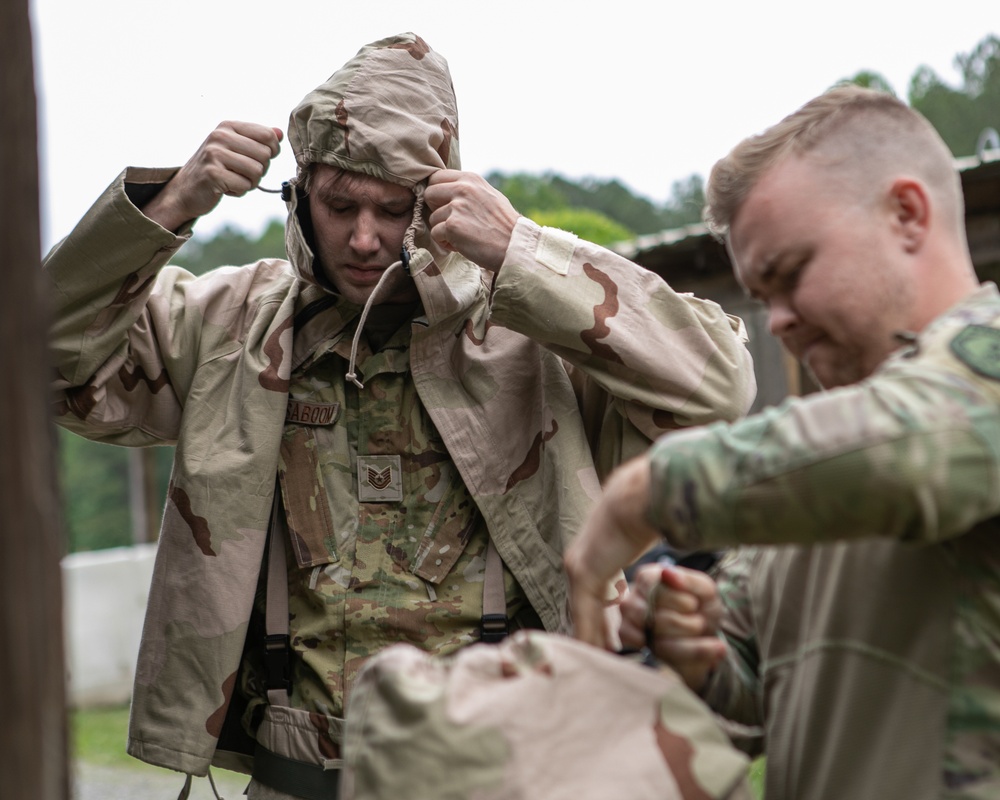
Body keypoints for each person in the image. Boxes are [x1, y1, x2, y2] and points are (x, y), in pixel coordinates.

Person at [44, 32, 756, 798]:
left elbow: (718, 387)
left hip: (508, 774)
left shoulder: (527, 330)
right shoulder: (230, 326)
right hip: (299, 779)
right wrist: (170, 205)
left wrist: (521, 251)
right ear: (298, 191)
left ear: (441, 201)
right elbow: (46, 358)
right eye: (339, 204)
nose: (362, 237)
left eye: (393, 209)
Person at [565, 84, 1000, 800]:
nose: (779, 322)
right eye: (762, 297)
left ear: (908, 216)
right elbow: (761, 677)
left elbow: (914, 453)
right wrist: (697, 646)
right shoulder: (815, 463)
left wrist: (647, 493)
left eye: (791, 276)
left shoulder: (964, 385)